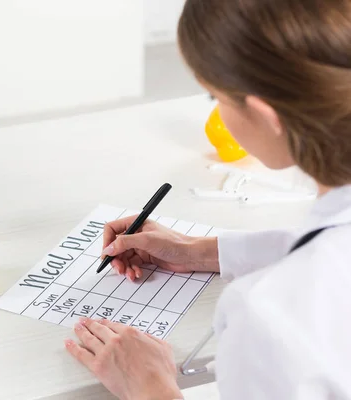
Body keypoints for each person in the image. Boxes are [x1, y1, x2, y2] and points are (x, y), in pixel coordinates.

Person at [63, 0, 351, 399]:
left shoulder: (268, 316)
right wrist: (200, 251)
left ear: (268, 116)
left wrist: (150, 385)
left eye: (215, 97)